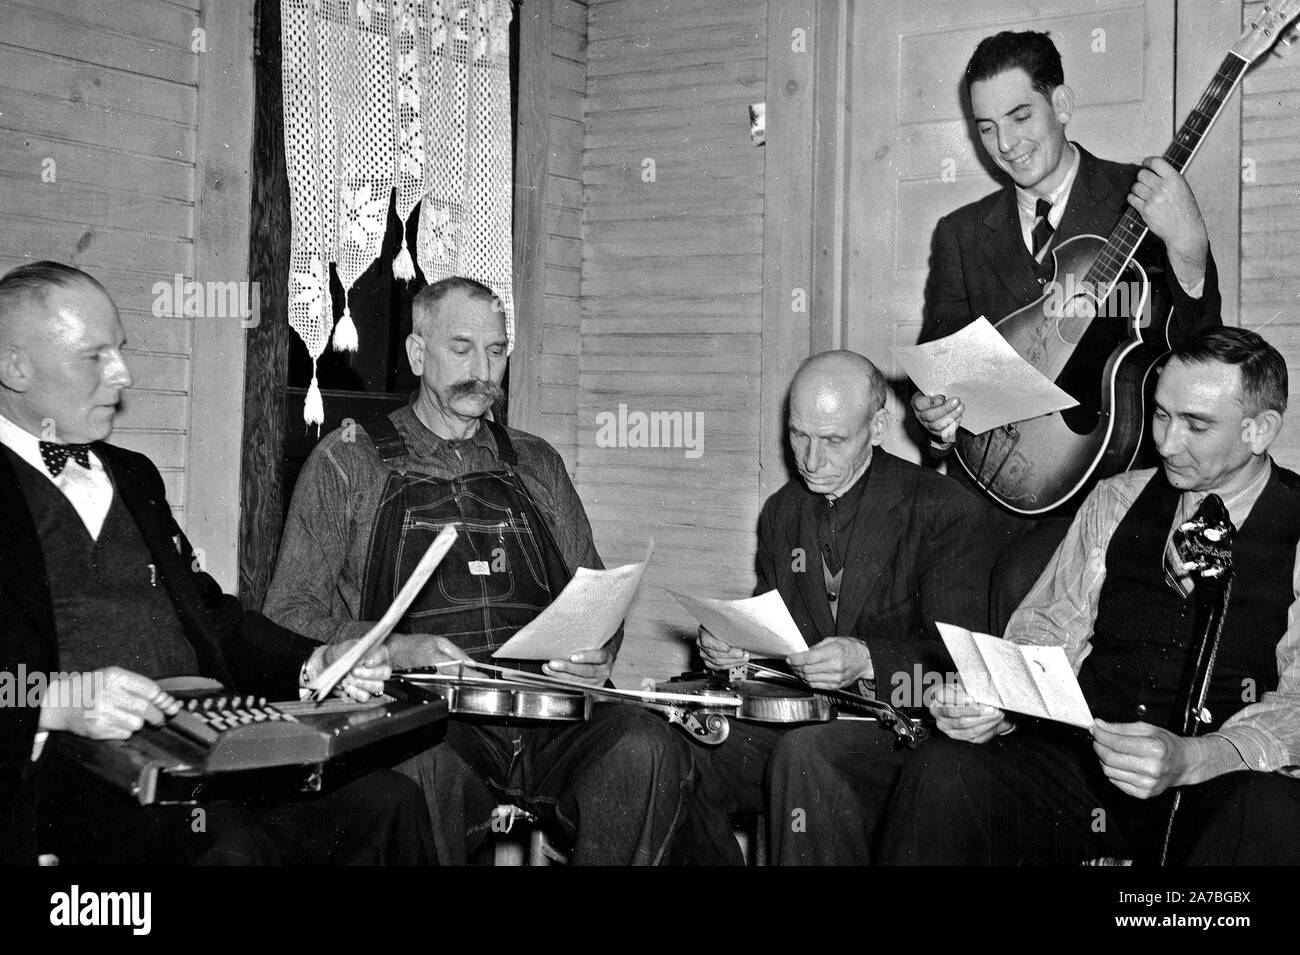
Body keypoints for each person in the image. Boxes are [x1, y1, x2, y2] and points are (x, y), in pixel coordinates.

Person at [0, 261, 432, 866]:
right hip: (74, 766)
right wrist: (55, 701)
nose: (122, 374)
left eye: (119, 350)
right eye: (93, 356)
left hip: (202, 739)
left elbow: (211, 617)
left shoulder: (133, 475)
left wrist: (312, 662)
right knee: (230, 848)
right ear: (14, 367)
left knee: (388, 801)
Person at [264, 275, 696, 865]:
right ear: (418, 353)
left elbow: (592, 590)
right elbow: (286, 618)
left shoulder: (535, 460)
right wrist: (397, 650)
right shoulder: (349, 461)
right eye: (461, 349)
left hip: (548, 710)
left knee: (645, 746)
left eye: (496, 352)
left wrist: (598, 650)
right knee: (418, 771)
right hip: (429, 717)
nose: (483, 371)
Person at [882, 327, 1300, 865]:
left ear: (1259, 430)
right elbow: (1044, 635)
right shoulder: (1117, 499)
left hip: (1216, 788)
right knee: (943, 771)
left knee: (1267, 809)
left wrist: (1197, 758)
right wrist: (999, 704)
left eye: (1196, 424)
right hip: (1088, 779)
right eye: (1162, 414)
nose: (1167, 442)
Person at [910, 30, 1222, 634]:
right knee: (938, 585)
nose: (1005, 144)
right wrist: (936, 417)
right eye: (986, 127)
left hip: (1106, 480)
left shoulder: (1145, 199)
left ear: (1063, 104)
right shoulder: (960, 233)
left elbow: (1204, 353)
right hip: (993, 476)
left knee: (1023, 595)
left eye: (1020, 116)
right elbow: (942, 369)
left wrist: (1189, 247)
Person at [679, 350, 987, 864]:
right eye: (799, 434)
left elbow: (962, 664)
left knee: (807, 757)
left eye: (833, 440)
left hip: (905, 737)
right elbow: (779, 637)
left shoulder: (941, 508)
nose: (810, 460)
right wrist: (736, 650)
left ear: (880, 425)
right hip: (806, 721)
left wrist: (868, 658)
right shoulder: (783, 511)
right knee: (682, 742)